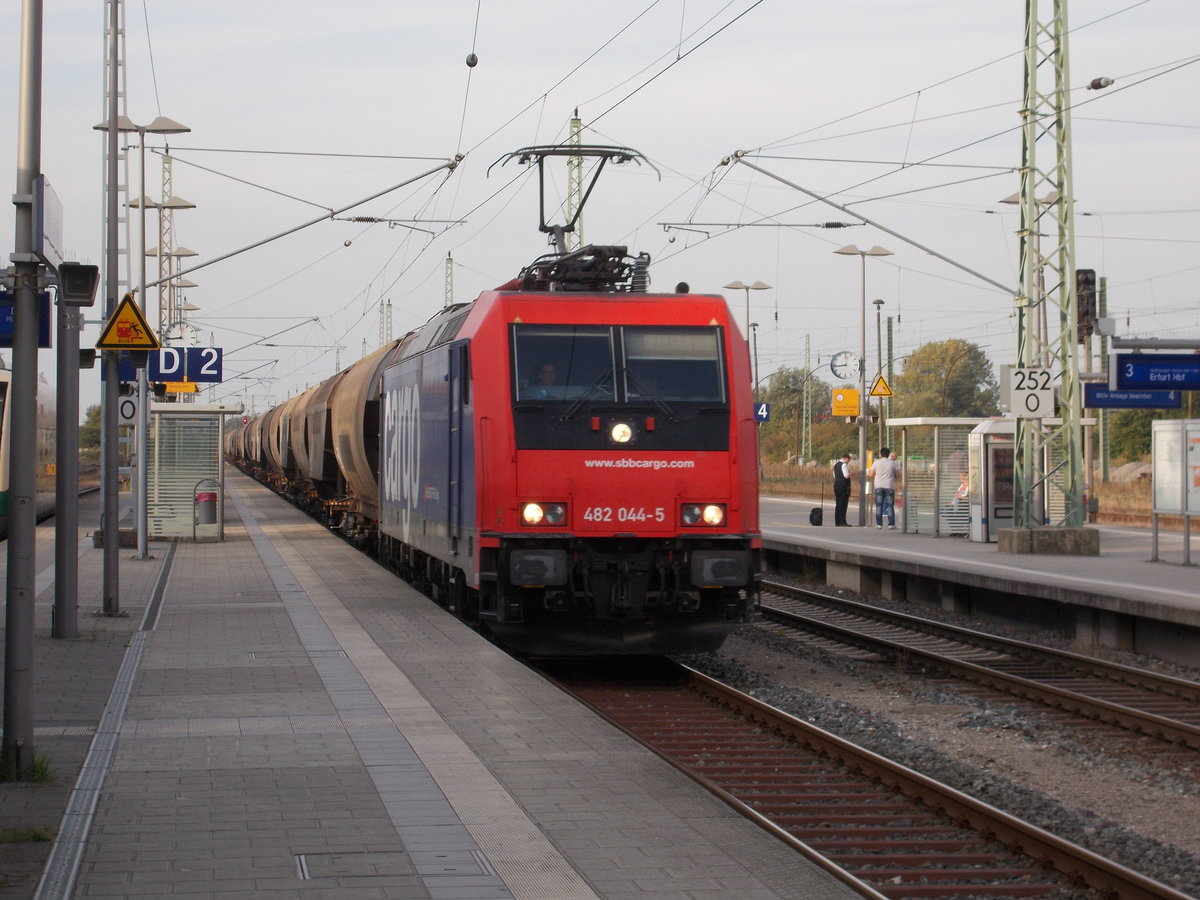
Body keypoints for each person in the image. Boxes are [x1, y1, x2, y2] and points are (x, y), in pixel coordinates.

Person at [870, 446, 898, 529]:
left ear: (880, 454)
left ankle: (879, 524)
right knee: (890, 506)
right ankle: (891, 524)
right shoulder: (893, 463)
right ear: (888, 454)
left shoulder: (876, 462)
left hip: (879, 486)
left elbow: (871, 474)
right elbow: (897, 475)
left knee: (879, 505)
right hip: (889, 486)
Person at [832, 453, 853, 527]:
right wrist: (852, 473)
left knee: (838, 504)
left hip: (836, 485)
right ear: (846, 458)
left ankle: (837, 521)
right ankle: (842, 521)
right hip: (843, 486)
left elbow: (834, 476)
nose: (848, 462)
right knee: (843, 504)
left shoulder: (836, 465)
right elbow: (846, 475)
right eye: (849, 460)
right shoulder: (844, 465)